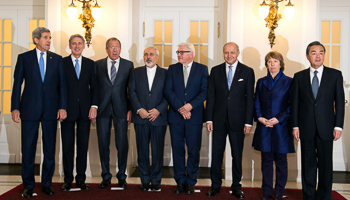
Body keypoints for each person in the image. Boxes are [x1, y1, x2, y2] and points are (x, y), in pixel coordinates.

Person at [11, 27, 67, 198]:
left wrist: (63, 107)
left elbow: (62, 86)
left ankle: (47, 184)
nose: (49, 40)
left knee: (50, 149)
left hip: (51, 110)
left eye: (49, 38)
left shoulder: (57, 59)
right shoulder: (24, 58)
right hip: (29, 110)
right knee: (28, 149)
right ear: (36, 40)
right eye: (45, 38)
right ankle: (28, 185)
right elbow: (17, 84)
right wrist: (15, 107)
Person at [292, 41, 344, 200]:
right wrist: (295, 125)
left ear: (324, 55)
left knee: (326, 166)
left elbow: (340, 102)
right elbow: (295, 103)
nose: (318, 56)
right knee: (308, 164)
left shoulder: (335, 75)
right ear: (308, 56)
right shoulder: (299, 77)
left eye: (321, 52)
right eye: (314, 53)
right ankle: (308, 196)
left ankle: (323, 196)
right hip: (305, 127)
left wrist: (338, 126)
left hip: (327, 127)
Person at [206, 42, 255, 199]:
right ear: (223, 53)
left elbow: (250, 100)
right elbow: (211, 97)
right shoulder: (215, 71)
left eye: (232, 52)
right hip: (218, 120)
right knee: (217, 154)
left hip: (238, 121)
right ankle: (215, 185)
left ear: (238, 53)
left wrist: (248, 122)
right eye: (226, 52)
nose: (229, 55)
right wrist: (209, 119)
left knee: (237, 155)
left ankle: (236, 186)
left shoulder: (247, 72)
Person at [164, 43, 208, 195]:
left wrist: (190, 106)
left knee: (194, 151)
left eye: (182, 52)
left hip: (194, 117)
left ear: (192, 54)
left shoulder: (202, 69)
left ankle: (191, 182)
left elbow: (204, 92)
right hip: (176, 117)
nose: (179, 55)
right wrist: (181, 108)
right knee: (178, 151)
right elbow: (168, 91)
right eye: (178, 52)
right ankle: (180, 181)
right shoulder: (172, 69)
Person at [253, 51, 295, 200]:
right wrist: (260, 117)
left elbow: (291, 105)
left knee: (281, 162)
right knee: (266, 161)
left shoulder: (289, 82)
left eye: (275, 61)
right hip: (264, 126)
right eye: (270, 62)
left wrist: (278, 119)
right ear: (266, 64)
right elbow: (256, 101)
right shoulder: (261, 81)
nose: (272, 64)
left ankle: (279, 192)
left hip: (281, 127)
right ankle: (266, 191)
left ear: (281, 64)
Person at [61, 34, 98, 191]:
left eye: (79, 43)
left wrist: (94, 106)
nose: (77, 46)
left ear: (84, 46)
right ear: (69, 46)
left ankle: (81, 179)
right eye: (74, 43)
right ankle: (68, 179)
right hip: (67, 111)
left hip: (85, 111)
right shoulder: (61, 63)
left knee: (83, 146)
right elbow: (58, 87)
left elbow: (95, 87)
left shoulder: (91, 64)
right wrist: (60, 107)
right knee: (67, 146)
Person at [95, 37, 134, 189]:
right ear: (106, 49)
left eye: (117, 47)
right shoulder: (97, 65)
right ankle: (105, 176)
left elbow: (131, 89)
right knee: (103, 143)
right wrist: (94, 107)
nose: (115, 50)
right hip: (102, 110)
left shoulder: (128, 65)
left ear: (120, 49)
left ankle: (122, 176)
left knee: (122, 144)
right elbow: (95, 88)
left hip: (122, 110)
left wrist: (130, 109)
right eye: (112, 47)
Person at [128, 47, 168, 191]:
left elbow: (168, 94)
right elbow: (131, 92)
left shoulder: (165, 73)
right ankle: (144, 180)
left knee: (158, 152)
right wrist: (139, 110)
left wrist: (159, 110)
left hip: (159, 119)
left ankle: (156, 181)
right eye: (145, 54)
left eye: (151, 54)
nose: (148, 57)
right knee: (142, 151)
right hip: (141, 118)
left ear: (157, 57)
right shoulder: (135, 72)